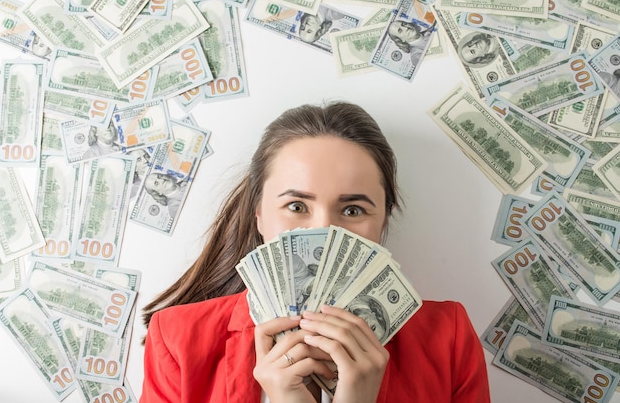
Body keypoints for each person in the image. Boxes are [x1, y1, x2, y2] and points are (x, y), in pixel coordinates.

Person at [140, 101, 491, 403]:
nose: (324, 232)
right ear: (258, 214)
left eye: (353, 210)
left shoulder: (447, 339)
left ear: (383, 220)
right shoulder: (177, 339)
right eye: (296, 206)